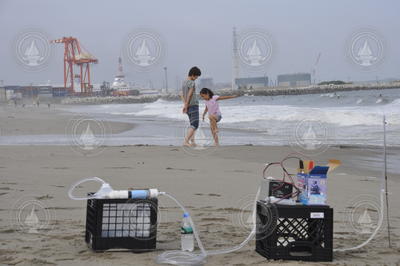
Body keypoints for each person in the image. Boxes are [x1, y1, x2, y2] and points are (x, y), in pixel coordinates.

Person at [181, 66, 201, 147]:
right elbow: (189, 94)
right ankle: (186, 141)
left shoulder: (184, 82)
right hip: (193, 104)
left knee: (192, 124)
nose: (196, 78)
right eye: (196, 76)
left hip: (188, 105)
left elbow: (182, 94)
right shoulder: (192, 83)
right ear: (193, 75)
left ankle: (192, 141)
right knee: (195, 124)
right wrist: (186, 105)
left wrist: (185, 105)